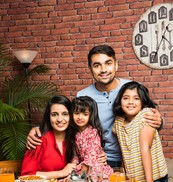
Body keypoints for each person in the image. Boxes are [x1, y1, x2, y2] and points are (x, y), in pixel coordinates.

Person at [25, 45, 162, 168]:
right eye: (97, 65)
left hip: (135, 160)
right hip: (98, 160)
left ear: (116, 65)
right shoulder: (83, 95)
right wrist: (38, 128)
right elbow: (69, 121)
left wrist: (160, 121)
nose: (103, 70)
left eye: (108, 63)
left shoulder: (131, 89)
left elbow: (150, 115)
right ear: (90, 69)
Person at [112, 81, 168, 182]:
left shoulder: (146, 115)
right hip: (134, 181)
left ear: (143, 101)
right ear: (120, 101)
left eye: (136, 98)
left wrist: (150, 181)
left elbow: (144, 148)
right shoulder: (118, 122)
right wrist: (125, 177)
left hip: (154, 178)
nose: (130, 102)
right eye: (126, 98)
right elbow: (124, 151)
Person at [21, 96, 76, 181]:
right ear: (48, 117)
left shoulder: (77, 138)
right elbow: (26, 176)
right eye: (54, 114)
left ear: (71, 116)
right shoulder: (37, 140)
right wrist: (61, 173)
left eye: (65, 114)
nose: (59, 119)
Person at [70, 96, 113, 177]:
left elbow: (89, 159)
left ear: (91, 115)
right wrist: (71, 171)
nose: (80, 117)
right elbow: (75, 156)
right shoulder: (74, 132)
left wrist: (77, 178)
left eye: (85, 114)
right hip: (82, 168)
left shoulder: (93, 132)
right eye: (76, 113)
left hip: (95, 170)